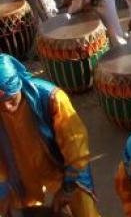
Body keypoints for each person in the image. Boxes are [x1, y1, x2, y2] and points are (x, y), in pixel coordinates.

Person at [0, 53, 99, 216]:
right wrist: (3, 189)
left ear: (18, 85)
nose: (8, 108)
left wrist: (67, 189)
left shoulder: (52, 98)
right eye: (1, 105)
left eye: (11, 99)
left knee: (86, 211)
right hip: (21, 170)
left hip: (62, 165)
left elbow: (77, 150)